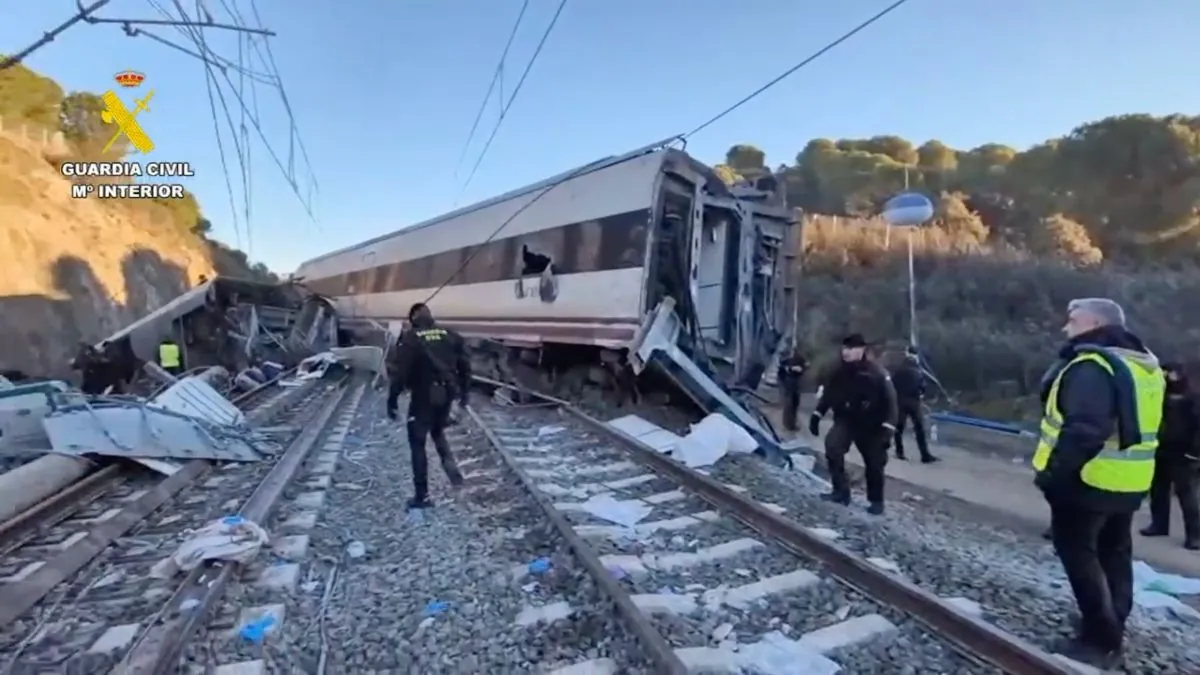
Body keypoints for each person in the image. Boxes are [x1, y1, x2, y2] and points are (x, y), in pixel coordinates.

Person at [1032, 297, 1163, 668]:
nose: (1066, 327)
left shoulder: (1092, 366)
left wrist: (1054, 475)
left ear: (1094, 324)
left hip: (1087, 480)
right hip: (1129, 480)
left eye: (1072, 320)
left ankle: (1100, 641)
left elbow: (1085, 430)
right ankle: (1112, 623)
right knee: (1114, 553)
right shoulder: (1142, 363)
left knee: (1079, 554)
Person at [387, 302, 468, 510]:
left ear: (413, 319)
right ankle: (455, 477)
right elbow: (465, 367)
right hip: (446, 394)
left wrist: (392, 400)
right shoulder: (450, 335)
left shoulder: (410, 338)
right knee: (438, 431)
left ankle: (421, 496)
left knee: (417, 442)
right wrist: (463, 396)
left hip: (423, 396)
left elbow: (400, 373)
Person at [809, 334, 898, 515]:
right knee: (833, 447)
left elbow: (891, 402)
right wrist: (817, 414)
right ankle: (840, 491)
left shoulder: (877, 373)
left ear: (862, 350)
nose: (846, 352)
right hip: (846, 420)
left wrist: (888, 428)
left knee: (874, 463)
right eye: (844, 348)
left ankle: (876, 500)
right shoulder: (838, 372)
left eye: (850, 348)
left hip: (872, 425)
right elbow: (829, 394)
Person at [1139, 362, 1200, 550]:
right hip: (1161, 449)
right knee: (1158, 490)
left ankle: (1195, 535)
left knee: (1186, 494)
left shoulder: (1192, 399)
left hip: (1183, 453)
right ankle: (1159, 524)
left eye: (1170, 373)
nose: (1167, 376)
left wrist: (1195, 452)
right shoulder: (1160, 396)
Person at [890, 349, 938, 463]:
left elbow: (893, 384)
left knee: (899, 427)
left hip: (901, 401)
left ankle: (899, 452)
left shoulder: (899, 369)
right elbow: (923, 386)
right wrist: (921, 393)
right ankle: (924, 454)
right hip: (914, 402)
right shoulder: (917, 370)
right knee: (919, 428)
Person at [777, 349, 809, 432]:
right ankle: (788, 424)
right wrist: (791, 369)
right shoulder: (785, 355)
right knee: (789, 403)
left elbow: (805, 365)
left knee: (795, 403)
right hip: (788, 381)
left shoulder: (798, 356)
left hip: (795, 382)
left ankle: (792, 424)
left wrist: (803, 367)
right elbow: (781, 367)